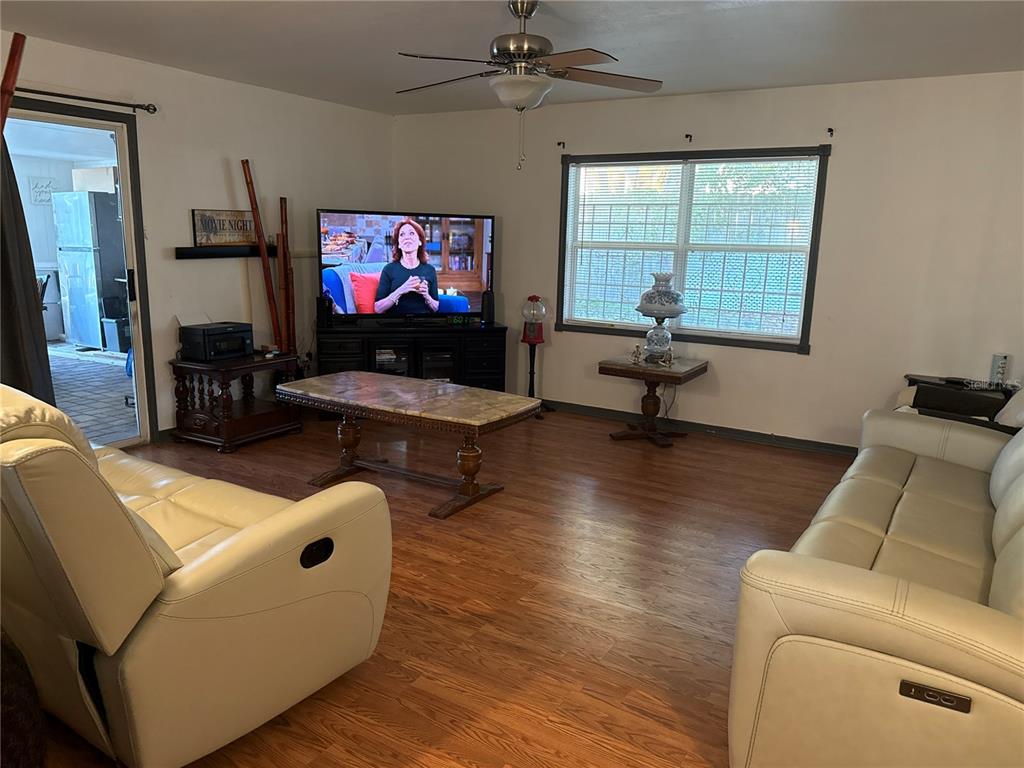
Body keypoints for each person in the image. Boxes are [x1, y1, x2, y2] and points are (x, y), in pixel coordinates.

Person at [373, 217, 439, 315]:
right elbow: (378, 309)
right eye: (402, 235)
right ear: (399, 244)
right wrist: (401, 290)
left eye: (412, 233)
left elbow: (436, 307)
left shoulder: (430, 270)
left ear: (420, 242)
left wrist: (426, 295)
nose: (407, 237)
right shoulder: (389, 269)